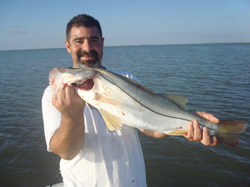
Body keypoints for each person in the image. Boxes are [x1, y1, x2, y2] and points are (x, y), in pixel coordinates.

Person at [42, 14, 219, 187]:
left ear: (102, 43)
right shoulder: (53, 94)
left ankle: (217, 130)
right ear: (67, 45)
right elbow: (66, 152)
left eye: (94, 40)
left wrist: (186, 125)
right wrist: (71, 117)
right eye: (78, 41)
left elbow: (149, 126)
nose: (87, 47)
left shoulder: (126, 78)